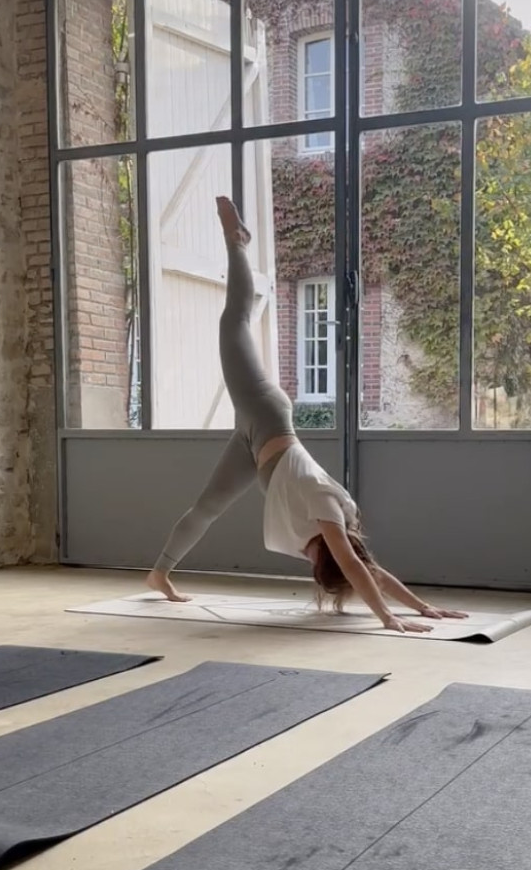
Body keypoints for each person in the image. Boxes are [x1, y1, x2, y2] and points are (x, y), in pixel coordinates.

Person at [146, 197, 468, 634]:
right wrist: (389, 619)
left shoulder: (332, 538)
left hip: (254, 442)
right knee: (234, 323)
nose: (309, 561)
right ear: (330, 553)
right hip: (265, 414)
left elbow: (367, 568)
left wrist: (424, 607)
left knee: (207, 507)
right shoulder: (327, 515)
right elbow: (355, 565)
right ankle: (236, 242)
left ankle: (159, 573)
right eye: (318, 564)